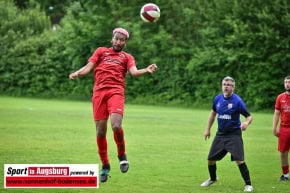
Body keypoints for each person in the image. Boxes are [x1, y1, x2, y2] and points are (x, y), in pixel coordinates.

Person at [69, 27, 157, 183]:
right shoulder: (101, 51)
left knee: (116, 125)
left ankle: (122, 155)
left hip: (115, 92)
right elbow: (88, 68)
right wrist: (77, 73)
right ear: (112, 39)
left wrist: (146, 70)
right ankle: (105, 165)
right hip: (99, 94)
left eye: (121, 40)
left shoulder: (126, 57)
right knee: (100, 132)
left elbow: (134, 72)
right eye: (116, 38)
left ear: (125, 43)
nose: (118, 41)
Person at [200, 76, 254, 192]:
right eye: (224, 84)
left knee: (239, 160)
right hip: (220, 134)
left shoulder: (237, 101)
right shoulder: (218, 99)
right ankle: (213, 179)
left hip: (234, 135)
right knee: (210, 159)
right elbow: (213, 113)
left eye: (228, 85)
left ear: (233, 87)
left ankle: (248, 185)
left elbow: (249, 116)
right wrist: (207, 129)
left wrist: (246, 123)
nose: (225, 86)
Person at [272, 76, 290, 181]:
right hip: (284, 129)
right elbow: (277, 113)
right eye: (286, 82)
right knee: (283, 152)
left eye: (289, 82)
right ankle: (285, 175)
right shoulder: (280, 97)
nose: (287, 84)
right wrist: (274, 128)